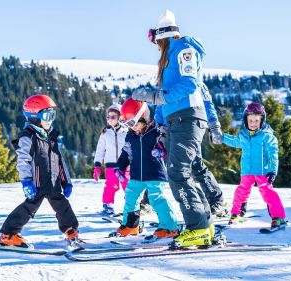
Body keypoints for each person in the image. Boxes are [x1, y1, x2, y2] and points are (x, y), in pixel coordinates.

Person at [132, 10, 222, 248]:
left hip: (188, 117)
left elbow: (191, 84)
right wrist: (160, 127)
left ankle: (198, 228)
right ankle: (204, 225)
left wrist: (155, 95)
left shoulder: (184, 48)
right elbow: (163, 100)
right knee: (187, 170)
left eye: (156, 42)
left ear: (163, 37)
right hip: (175, 121)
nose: (156, 47)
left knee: (178, 173)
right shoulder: (168, 58)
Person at [0, 94, 79, 247]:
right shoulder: (28, 137)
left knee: (62, 205)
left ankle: (71, 230)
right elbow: (23, 161)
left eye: (52, 115)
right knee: (29, 207)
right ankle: (8, 234)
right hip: (37, 183)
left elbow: (60, 161)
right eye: (47, 116)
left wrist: (66, 182)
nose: (50, 120)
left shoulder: (51, 137)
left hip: (53, 182)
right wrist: (26, 182)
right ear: (34, 116)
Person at [109, 98, 179, 239]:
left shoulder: (156, 131)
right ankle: (131, 225)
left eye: (133, 123)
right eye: (127, 124)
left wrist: (162, 149)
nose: (131, 127)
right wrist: (120, 167)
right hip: (137, 175)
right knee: (130, 197)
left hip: (155, 173)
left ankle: (170, 227)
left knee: (156, 199)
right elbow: (126, 153)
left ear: (144, 117)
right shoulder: (131, 136)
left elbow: (166, 142)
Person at [222, 102, 286, 227]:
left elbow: (273, 155)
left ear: (262, 120)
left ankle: (278, 217)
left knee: (268, 192)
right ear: (246, 121)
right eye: (250, 120)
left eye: (256, 120)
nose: (253, 123)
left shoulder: (267, 137)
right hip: (247, 171)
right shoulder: (244, 135)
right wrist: (221, 137)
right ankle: (237, 214)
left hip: (263, 171)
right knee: (241, 191)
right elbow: (234, 141)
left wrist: (273, 171)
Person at [93, 104, 129, 215]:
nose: (110, 119)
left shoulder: (126, 131)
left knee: (128, 186)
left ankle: (131, 207)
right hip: (111, 165)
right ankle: (107, 205)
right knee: (111, 185)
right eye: (108, 117)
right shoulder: (105, 133)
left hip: (125, 165)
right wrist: (97, 165)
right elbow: (100, 150)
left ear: (120, 117)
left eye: (113, 117)